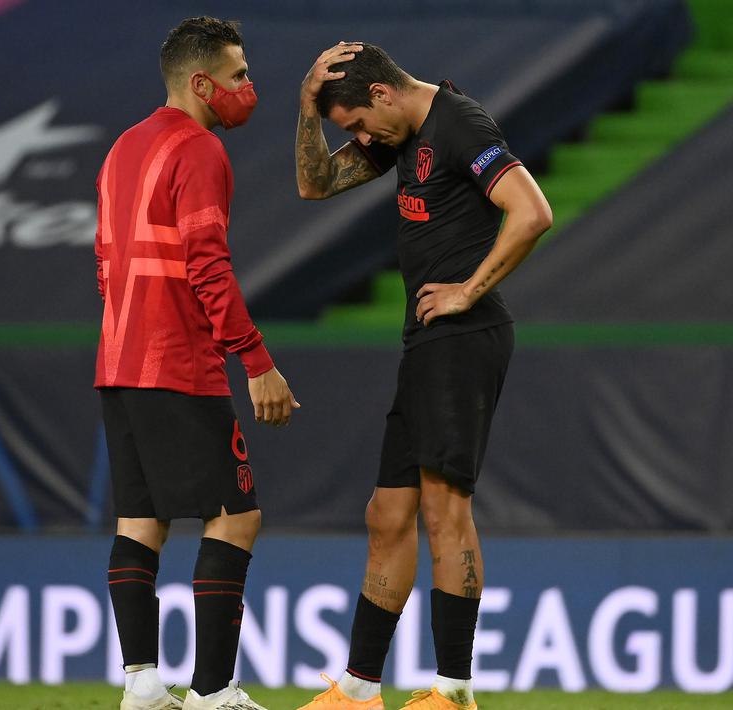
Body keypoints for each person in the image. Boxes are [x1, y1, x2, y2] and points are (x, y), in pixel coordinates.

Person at [294, 43, 552, 710]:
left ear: (382, 94)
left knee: (444, 512)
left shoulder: (459, 124)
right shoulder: (399, 134)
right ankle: (357, 690)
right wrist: (306, 108)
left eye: (353, 124)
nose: (356, 139)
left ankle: (453, 691)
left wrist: (468, 289)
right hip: (427, 342)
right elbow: (314, 183)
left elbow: (532, 212)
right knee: (387, 514)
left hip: (464, 338)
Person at [94, 16, 299, 710]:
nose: (249, 88)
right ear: (201, 82)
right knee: (234, 515)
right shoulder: (200, 150)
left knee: (139, 520)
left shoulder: (123, 147)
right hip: (177, 363)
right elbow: (206, 263)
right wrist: (255, 358)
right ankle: (214, 692)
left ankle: (142, 684)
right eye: (239, 76)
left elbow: (103, 261)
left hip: (117, 362)